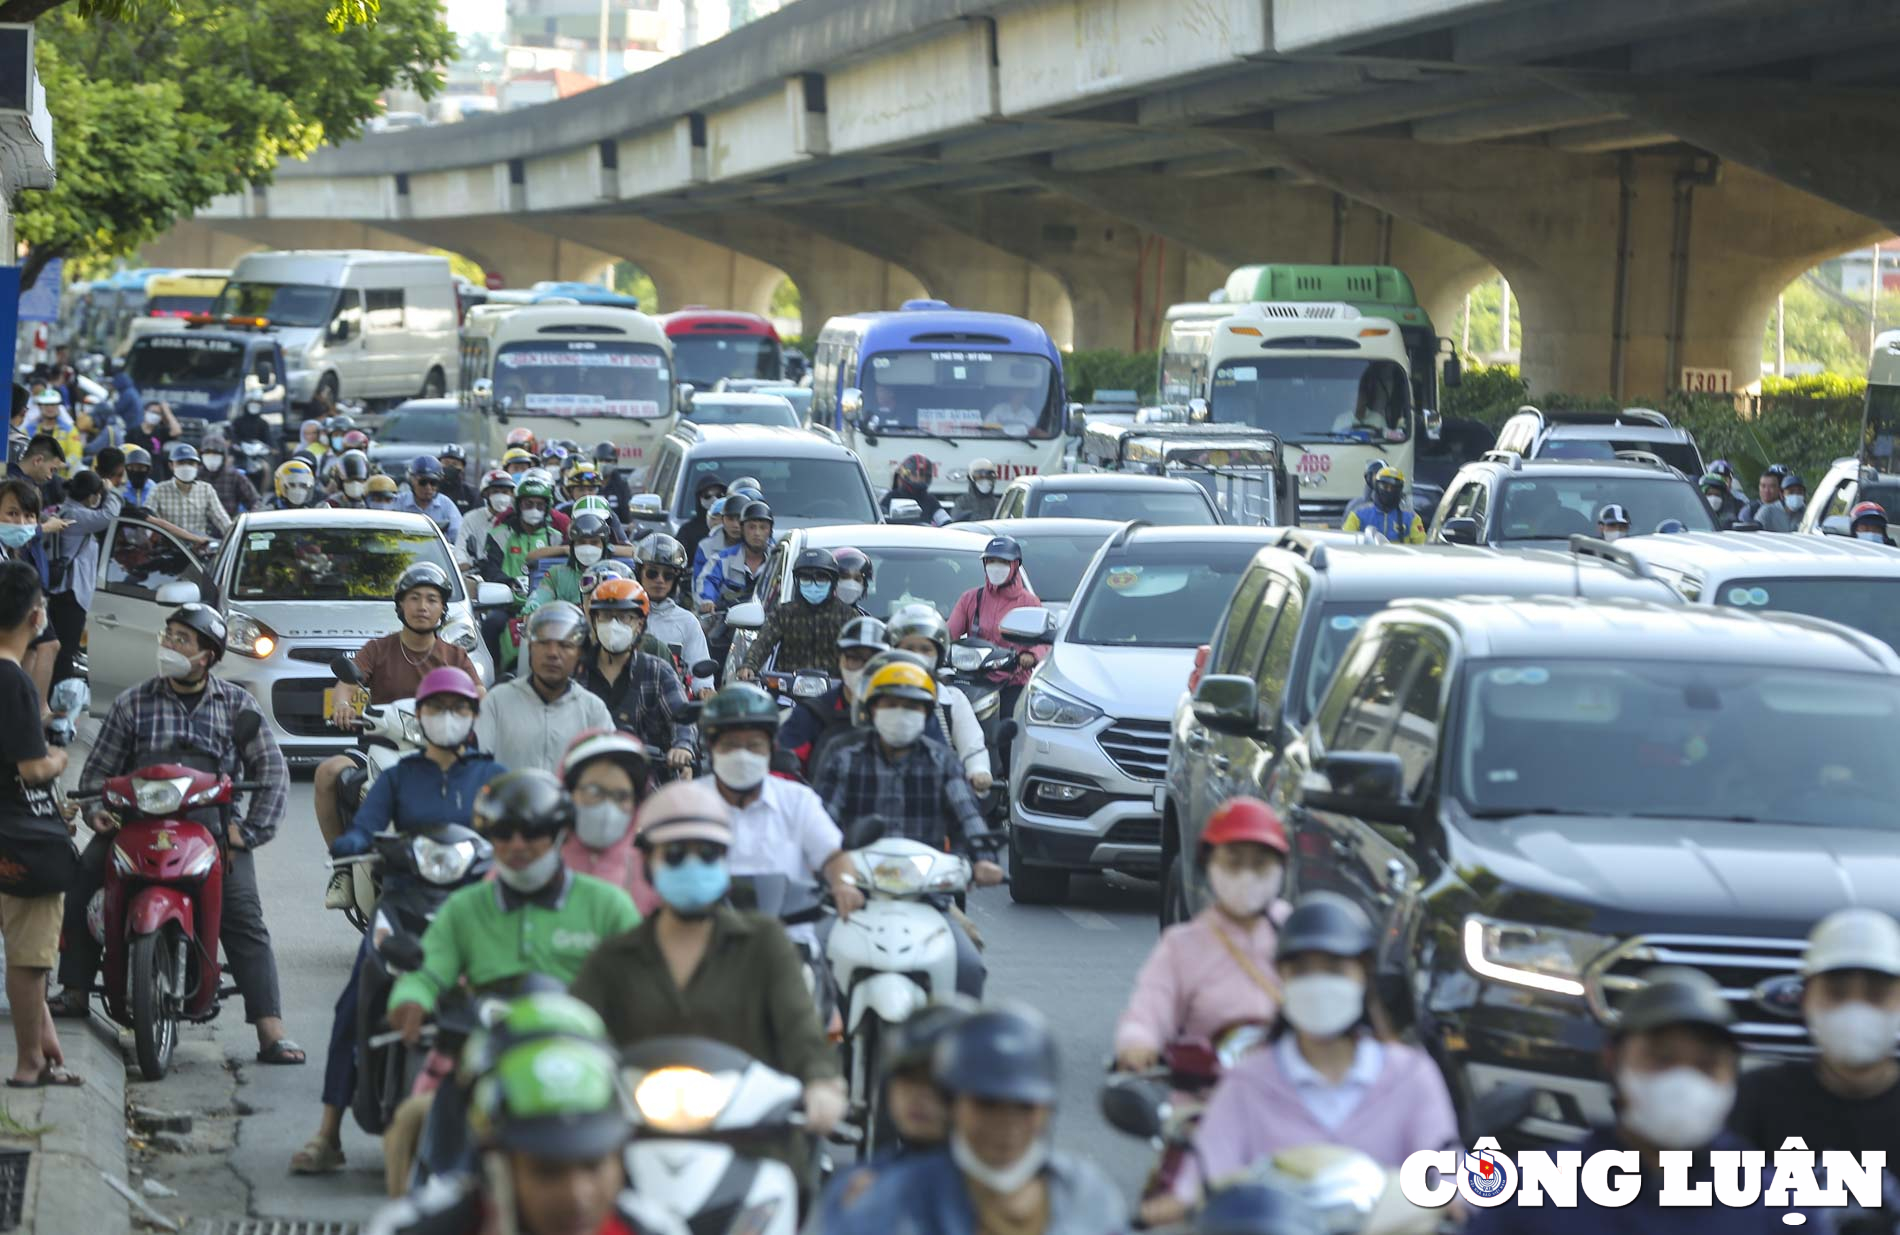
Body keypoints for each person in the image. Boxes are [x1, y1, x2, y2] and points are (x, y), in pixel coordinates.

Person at [55, 603, 303, 1062]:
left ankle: (271, 1028)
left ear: (207, 655)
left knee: (244, 915)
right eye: (167, 637)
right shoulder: (134, 702)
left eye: (181, 640)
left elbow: (271, 772)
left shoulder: (237, 705)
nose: (169, 646)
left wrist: (248, 833)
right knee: (84, 877)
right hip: (134, 825)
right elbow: (96, 776)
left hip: (213, 832)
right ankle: (72, 989)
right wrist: (95, 813)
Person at [292, 665, 505, 1175]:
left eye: (458, 708)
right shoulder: (398, 777)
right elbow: (366, 826)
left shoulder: (492, 778)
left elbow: (518, 833)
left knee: (507, 1007)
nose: (447, 718)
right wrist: (351, 844)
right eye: (436, 709)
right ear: (420, 716)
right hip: (404, 902)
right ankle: (327, 1134)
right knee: (354, 1003)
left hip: (476, 910)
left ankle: (509, 1134)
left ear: (473, 716)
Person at [377, 771, 639, 1186]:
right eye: (503, 832)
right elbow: (428, 970)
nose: (517, 845)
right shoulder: (464, 907)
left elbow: (639, 979)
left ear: (558, 834)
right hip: (487, 1059)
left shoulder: (607, 904)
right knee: (409, 1132)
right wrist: (410, 999)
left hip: (589, 1060)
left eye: (532, 831)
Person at [568, 780, 847, 1147]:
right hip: (642, 1143)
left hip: (752, 1143)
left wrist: (822, 1084)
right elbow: (576, 1038)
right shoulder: (615, 958)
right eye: (675, 855)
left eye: (708, 854)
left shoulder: (763, 942)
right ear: (648, 864)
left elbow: (800, 1031)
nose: (693, 866)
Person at [1164, 893, 1455, 1224]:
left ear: (1364, 975)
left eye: (1334, 969)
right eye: (1302, 970)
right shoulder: (1247, 1082)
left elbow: (1447, 1179)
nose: (1318, 984)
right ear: (1282, 978)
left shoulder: (1411, 1076)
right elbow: (1201, 1182)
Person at [1465, 967, 1786, 1235]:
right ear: (1612, 1061)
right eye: (1661, 1059)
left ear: (1733, 1075)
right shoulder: (1537, 1196)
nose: (1684, 1082)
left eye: (1706, 1065)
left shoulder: (1775, 1206)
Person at [825, 1006, 1126, 1235]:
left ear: (1047, 1110)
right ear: (954, 1102)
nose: (1006, 1124)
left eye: (1024, 1107)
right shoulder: (881, 1200)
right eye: (987, 1104)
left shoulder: (1089, 1196)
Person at [811, 660, 999, 996]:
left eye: (911, 706)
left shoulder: (942, 761)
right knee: (811, 963)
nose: (901, 713)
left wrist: (982, 860)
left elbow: (967, 817)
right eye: (892, 704)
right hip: (852, 894)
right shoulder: (845, 759)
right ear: (872, 710)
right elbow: (821, 825)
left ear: (926, 713)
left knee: (968, 965)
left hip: (925, 898)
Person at [361, 1030, 663, 1235]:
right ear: (497, 1166)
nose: (576, 1194)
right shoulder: (409, 1228)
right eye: (548, 1172)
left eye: (593, 1166)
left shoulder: (656, 1228)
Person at [314, 563, 482, 898]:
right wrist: (344, 706)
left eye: (432, 599)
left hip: (442, 749)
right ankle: (343, 866)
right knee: (327, 773)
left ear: (442, 608)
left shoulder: (455, 655)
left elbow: (480, 696)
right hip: (380, 744)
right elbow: (347, 683)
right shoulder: (378, 649)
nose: (423, 606)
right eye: (415, 598)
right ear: (400, 606)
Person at [1115, 797, 1288, 1073]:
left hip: (1288, 1097)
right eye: (1234, 861)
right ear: (1208, 865)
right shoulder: (1181, 945)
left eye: (1260, 863)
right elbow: (1150, 1007)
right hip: (1205, 1099)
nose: (1247, 875)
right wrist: (1138, 1042)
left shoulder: (1296, 930)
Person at [1730, 908, 1900, 1169]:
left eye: (1875, 995)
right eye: (1837, 993)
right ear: (1805, 1000)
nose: (1855, 1010)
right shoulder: (1756, 1099)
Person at [0, 561, 80, 1087]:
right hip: (18, 835)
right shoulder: (15, 683)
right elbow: (30, 768)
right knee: (31, 959)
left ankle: (46, 1048)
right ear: (35, 617)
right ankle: (30, 1062)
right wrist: (58, 761)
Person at [700, 684, 858, 943]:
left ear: (771, 749)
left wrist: (844, 883)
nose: (742, 755)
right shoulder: (686, 802)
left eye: (754, 745)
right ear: (711, 747)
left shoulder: (797, 800)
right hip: (708, 943)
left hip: (790, 943)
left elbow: (833, 856)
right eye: (730, 745)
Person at [475, 603, 614, 773]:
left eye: (565, 645)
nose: (553, 653)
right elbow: (476, 766)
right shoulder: (497, 701)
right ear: (530, 647)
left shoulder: (593, 710)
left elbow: (608, 773)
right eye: (543, 643)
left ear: (580, 654)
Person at [576, 580, 695, 774]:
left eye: (624, 617)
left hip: (645, 780)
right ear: (595, 621)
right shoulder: (577, 672)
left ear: (640, 624)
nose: (614, 625)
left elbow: (682, 717)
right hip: (585, 776)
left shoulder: (657, 671)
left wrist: (682, 746)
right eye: (606, 616)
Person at [888, 603, 991, 793]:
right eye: (909, 648)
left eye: (925, 649)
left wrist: (978, 771)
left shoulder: (951, 700)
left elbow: (972, 747)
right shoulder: (879, 696)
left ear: (938, 655)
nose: (917, 656)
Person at [559, 729, 658, 913]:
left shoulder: (652, 876)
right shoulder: (536, 862)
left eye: (621, 797)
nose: (607, 808)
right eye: (594, 792)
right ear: (568, 793)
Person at [947, 535, 1046, 717]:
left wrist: (1031, 655)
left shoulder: (1029, 602)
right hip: (973, 680)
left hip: (1012, 682)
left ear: (1015, 565)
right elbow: (948, 634)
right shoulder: (970, 598)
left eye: (1002, 561)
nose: (995, 566)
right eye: (990, 561)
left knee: (1009, 728)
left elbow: (1043, 640)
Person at [779, 616, 888, 777]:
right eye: (854, 658)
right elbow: (782, 774)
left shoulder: (904, 709)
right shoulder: (811, 714)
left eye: (874, 660)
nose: (865, 668)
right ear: (840, 660)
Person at [43, 469, 119, 686]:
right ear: (92, 495)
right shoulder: (78, 515)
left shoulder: (64, 509)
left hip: (62, 592)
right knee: (66, 654)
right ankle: (58, 703)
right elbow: (109, 516)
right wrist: (111, 493)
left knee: (60, 651)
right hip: (70, 594)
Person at [738, 546, 854, 678]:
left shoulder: (847, 615)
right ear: (797, 582)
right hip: (787, 690)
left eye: (821, 580)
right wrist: (749, 665)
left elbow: (861, 653)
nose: (813, 586)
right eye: (806, 580)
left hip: (834, 690)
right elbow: (763, 642)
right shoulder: (783, 613)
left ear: (833, 583)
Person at [634, 534, 712, 695]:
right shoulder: (625, 614)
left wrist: (705, 690)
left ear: (676, 579)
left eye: (668, 575)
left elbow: (701, 669)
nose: (660, 580)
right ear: (639, 572)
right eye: (652, 573)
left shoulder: (688, 621)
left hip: (673, 704)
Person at [481, 472, 563, 591]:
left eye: (540, 505)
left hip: (545, 601)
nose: (534, 509)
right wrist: (508, 582)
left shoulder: (556, 537)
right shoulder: (499, 535)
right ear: (518, 505)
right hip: (505, 601)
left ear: (547, 508)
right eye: (528, 504)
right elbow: (490, 569)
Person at [523, 511, 612, 617]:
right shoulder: (556, 573)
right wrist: (531, 610)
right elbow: (538, 598)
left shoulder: (615, 574)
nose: (588, 548)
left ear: (604, 545)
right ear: (573, 545)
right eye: (582, 542)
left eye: (594, 542)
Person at [149, 443, 232, 546]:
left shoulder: (206, 490)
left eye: (191, 463)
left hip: (199, 552)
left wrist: (233, 538)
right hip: (167, 550)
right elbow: (147, 518)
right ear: (171, 465)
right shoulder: (159, 490)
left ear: (197, 466)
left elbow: (222, 519)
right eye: (181, 463)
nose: (186, 467)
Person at [700, 498, 773, 612]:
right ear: (742, 529)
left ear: (770, 531)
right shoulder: (721, 559)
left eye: (763, 527)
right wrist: (708, 600)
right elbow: (708, 580)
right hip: (728, 620)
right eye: (751, 527)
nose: (757, 533)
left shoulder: (779, 560)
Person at [1340, 466, 1426, 543]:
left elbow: (1422, 546)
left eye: (1394, 488)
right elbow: (1345, 542)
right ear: (1376, 486)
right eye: (1384, 486)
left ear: (1400, 490)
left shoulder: (1411, 518)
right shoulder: (1358, 514)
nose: (1389, 491)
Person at [395, 454, 463, 541]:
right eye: (423, 482)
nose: (428, 487)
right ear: (411, 481)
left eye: (433, 482)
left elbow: (458, 537)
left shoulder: (446, 505)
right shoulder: (398, 503)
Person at [199, 431, 259, 517]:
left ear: (224, 455)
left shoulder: (234, 476)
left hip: (229, 526)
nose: (211, 456)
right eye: (207, 453)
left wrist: (249, 519)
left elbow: (255, 501)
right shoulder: (195, 477)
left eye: (216, 453)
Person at [460, 468, 515, 562]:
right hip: (478, 572)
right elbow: (461, 550)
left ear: (512, 495)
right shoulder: (471, 518)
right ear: (485, 494)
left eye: (505, 492)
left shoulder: (517, 520)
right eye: (495, 492)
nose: (501, 497)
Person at [677, 473, 729, 568]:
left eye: (719, 495)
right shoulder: (687, 531)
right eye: (707, 496)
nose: (714, 499)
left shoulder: (736, 528)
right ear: (699, 499)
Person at [881, 453, 947, 525]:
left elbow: (946, 522)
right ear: (905, 474)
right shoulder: (891, 497)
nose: (919, 479)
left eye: (923, 476)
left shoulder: (930, 500)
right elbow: (881, 520)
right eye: (915, 475)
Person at [1743, 464, 1794, 532]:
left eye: (1772, 486)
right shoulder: (1751, 509)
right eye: (1763, 486)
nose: (1767, 490)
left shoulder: (1792, 508)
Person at [832, 545, 874, 616]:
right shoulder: (816, 616)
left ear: (864, 586)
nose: (851, 584)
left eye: (857, 579)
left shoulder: (864, 618)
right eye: (844, 577)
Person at [435, 443, 475, 510]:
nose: (450, 467)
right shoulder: (430, 489)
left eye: (455, 464)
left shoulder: (471, 494)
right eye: (446, 463)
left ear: (462, 467)